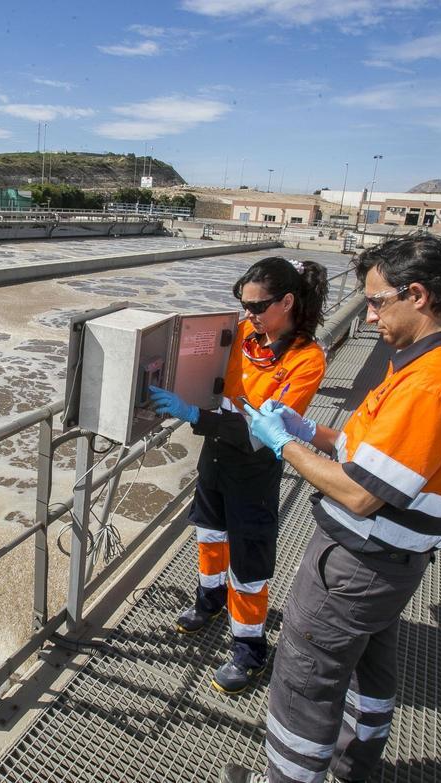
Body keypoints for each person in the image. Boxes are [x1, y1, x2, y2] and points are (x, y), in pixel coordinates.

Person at [222, 236, 441, 783]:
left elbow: (359, 493)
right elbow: (375, 455)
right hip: (388, 565)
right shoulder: (435, 364)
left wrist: (282, 443)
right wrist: (312, 431)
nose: (367, 316)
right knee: (367, 673)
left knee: (305, 681)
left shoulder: (432, 384)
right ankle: (350, 769)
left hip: (360, 564)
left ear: (416, 295)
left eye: (375, 302)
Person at [148, 256, 329, 695]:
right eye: (243, 307)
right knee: (209, 534)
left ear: (287, 301)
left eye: (256, 307)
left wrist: (193, 413)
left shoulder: (307, 359)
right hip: (215, 455)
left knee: (248, 563)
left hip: (254, 465)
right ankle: (208, 601)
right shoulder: (248, 333)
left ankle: (249, 648)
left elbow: (264, 433)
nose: (247, 316)